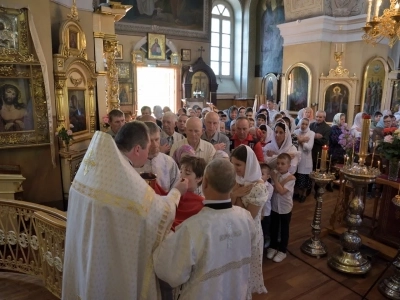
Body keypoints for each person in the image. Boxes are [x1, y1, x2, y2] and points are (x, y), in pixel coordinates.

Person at [62, 123, 188, 300]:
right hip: (109, 266)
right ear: (137, 149)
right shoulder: (124, 179)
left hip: (87, 256)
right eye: (147, 147)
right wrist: (177, 192)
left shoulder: (100, 166)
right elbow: (159, 213)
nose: (149, 152)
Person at [153, 159, 257, 300]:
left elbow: (169, 273)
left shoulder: (192, 228)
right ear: (233, 185)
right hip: (236, 291)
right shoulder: (246, 218)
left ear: (205, 182)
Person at [230, 145, 268, 297]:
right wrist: (234, 193)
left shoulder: (258, 187)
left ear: (249, 164)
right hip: (233, 230)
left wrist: (236, 195)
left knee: (245, 273)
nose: (235, 168)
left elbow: (246, 217)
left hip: (249, 234)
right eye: (232, 164)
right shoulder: (236, 179)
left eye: (238, 165)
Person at [135, 122, 180, 194]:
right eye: (150, 141)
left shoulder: (169, 162)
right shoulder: (133, 162)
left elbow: (176, 187)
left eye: (157, 139)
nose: (155, 145)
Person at [266, 153, 296, 263]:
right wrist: (280, 181)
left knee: (284, 229)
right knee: (273, 227)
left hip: (285, 207)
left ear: (288, 165)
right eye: (278, 163)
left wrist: (276, 179)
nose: (279, 166)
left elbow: (282, 191)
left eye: (283, 164)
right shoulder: (278, 175)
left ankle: (282, 250)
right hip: (274, 206)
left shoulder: (291, 178)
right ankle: (273, 247)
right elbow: (273, 188)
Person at [171, 156, 207, 231]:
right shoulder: (174, 195)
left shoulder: (203, 204)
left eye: (187, 173)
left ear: (199, 178)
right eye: (181, 172)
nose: (181, 176)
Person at [294, 118, 315, 203]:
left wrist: (301, 142)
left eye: (306, 124)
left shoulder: (311, 133)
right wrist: (302, 140)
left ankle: (303, 194)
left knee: (305, 178)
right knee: (297, 177)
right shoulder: (295, 132)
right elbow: (293, 143)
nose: (304, 126)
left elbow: (309, 147)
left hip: (306, 159)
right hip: (296, 158)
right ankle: (297, 193)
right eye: (302, 123)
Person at [260, 163, 274, 248]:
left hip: (265, 212)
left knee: (265, 229)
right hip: (257, 212)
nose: (259, 176)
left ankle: (264, 243)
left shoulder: (269, 187)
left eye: (262, 174)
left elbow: (266, 199)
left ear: (268, 176)